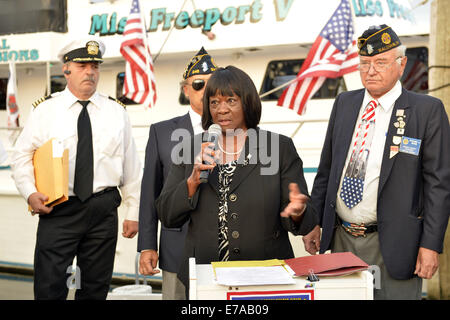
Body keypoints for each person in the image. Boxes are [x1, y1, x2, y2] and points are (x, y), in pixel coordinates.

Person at [303, 25, 450, 300]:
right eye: (365, 63)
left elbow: (439, 186)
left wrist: (430, 245)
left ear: (401, 64)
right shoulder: (344, 103)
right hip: (341, 239)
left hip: (396, 244)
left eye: (380, 62)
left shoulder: (427, 111)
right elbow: (326, 170)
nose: (371, 71)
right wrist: (313, 221)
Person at [156, 65, 318, 298]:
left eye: (231, 101)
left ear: (247, 102)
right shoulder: (189, 148)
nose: (221, 109)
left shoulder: (279, 148)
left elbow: (305, 221)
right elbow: (167, 214)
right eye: (214, 102)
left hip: (264, 277)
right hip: (205, 277)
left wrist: (298, 211)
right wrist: (191, 182)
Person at [11, 38, 142, 300]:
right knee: (49, 287)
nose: (90, 71)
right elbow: (21, 156)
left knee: (95, 289)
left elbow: (132, 166)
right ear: (66, 69)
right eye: (82, 65)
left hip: (102, 210)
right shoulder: (45, 111)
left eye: (94, 65)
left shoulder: (117, 112)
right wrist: (29, 192)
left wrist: (134, 211)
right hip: (59, 208)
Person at [138, 47, 218, 300]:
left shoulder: (238, 133)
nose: (206, 91)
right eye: (198, 84)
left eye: (213, 84)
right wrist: (147, 245)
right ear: (186, 90)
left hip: (223, 250)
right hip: (176, 247)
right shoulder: (161, 132)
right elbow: (150, 192)